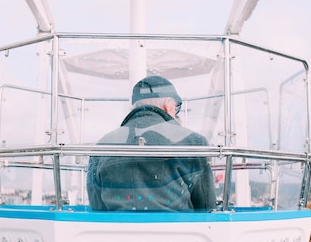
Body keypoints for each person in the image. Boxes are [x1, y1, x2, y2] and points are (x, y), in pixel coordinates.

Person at [87, 75, 216, 211]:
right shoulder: (194, 142)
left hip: (113, 231)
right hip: (177, 230)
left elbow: (96, 205)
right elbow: (206, 206)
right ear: (168, 105)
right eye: (176, 109)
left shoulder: (103, 145)